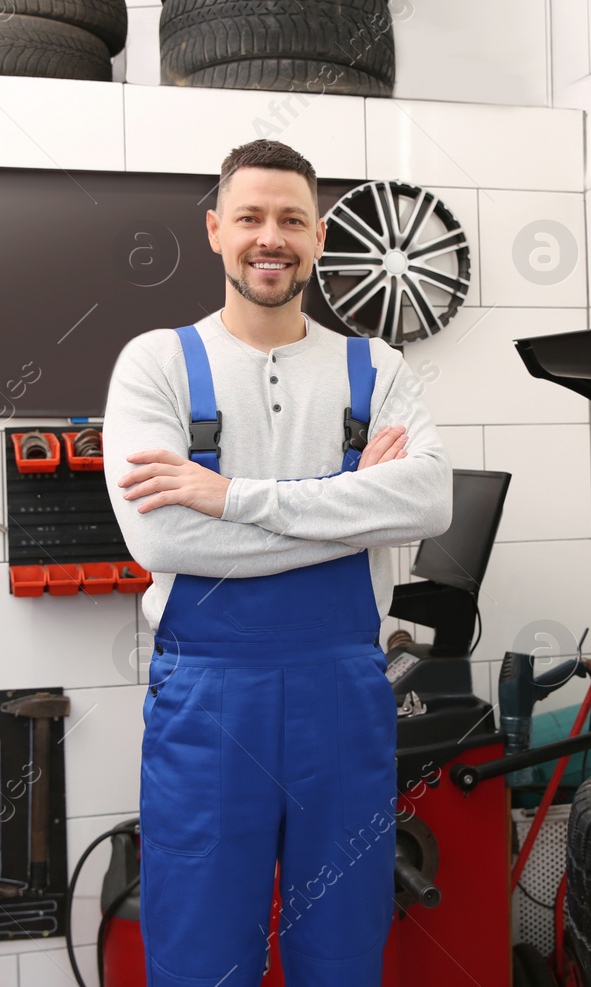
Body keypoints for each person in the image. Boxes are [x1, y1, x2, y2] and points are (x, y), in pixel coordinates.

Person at [101, 138, 452, 987]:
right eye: (251, 217)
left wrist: (227, 495)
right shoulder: (156, 363)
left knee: (342, 948)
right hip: (210, 702)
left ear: (320, 235)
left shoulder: (380, 368)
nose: (272, 236)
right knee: (200, 954)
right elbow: (165, 541)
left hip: (344, 696)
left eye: (292, 219)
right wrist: (352, 502)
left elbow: (430, 503)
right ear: (217, 230)